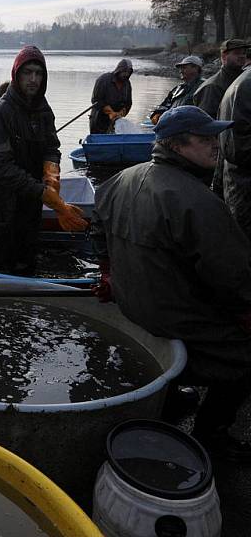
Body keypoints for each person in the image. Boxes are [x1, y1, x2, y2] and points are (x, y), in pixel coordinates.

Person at [91, 106, 251, 452]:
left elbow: (96, 226)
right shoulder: (199, 202)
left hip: (132, 305)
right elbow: (235, 279)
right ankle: (212, 434)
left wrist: (107, 272)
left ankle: (171, 396)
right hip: (170, 317)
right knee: (244, 357)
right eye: (205, 138)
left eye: (215, 136)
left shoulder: (120, 179)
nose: (216, 144)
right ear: (176, 146)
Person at [0, 45, 88, 276]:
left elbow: (52, 147)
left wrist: (52, 176)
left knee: (27, 259)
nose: (33, 79)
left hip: (31, 201)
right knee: (0, 263)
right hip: (0, 206)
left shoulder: (43, 109)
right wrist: (43, 193)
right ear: (16, 75)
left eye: (38, 73)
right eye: (27, 72)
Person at [213, 66, 251, 233]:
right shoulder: (246, 86)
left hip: (234, 185)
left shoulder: (240, 82)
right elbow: (238, 149)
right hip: (244, 191)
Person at [194, 38, 249, 119]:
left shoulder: (244, 79)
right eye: (236, 53)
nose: (242, 56)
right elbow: (206, 123)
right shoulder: (212, 87)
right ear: (223, 57)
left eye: (244, 53)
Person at [149, 55, 205, 124]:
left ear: (195, 68)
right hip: (172, 126)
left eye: (184, 68)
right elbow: (164, 105)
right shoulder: (177, 89)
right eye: (180, 68)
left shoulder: (204, 86)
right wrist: (156, 115)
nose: (181, 71)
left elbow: (204, 112)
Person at [89, 59, 133, 134]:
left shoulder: (127, 84)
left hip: (116, 122)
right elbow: (96, 100)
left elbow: (128, 103)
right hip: (99, 120)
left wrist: (121, 113)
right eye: (124, 72)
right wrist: (110, 112)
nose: (126, 74)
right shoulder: (103, 80)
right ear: (118, 70)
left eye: (128, 72)